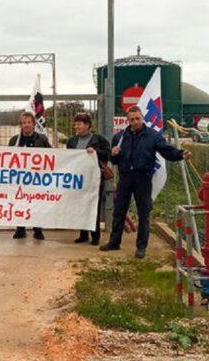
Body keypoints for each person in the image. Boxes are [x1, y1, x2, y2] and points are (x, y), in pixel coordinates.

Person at [101, 105, 190, 259]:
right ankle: (114, 242)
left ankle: (141, 247)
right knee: (119, 211)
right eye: (132, 119)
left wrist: (181, 154)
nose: (135, 122)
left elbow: (167, 151)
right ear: (127, 120)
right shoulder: (120, 137)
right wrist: (113, 153)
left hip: (143, 178)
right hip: (125, 178)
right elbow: (114, 159)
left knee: (143, 213)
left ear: (142, 118)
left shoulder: (153, 136)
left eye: (137, 119)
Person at [66, 113, 110, 245]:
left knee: (93, 206)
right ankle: (83, 234)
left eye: (79, 124)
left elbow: (107, 153)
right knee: (81, 206)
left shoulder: (98, 139)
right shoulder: (72, 141)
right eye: (76, 124)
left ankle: (95, 236)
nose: (77, 126)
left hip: (94, 179)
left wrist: (95, 152)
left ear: (87, 125)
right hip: (78, 179)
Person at [8, 112, 51, 240]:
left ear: (33, 124)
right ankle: (20, 229)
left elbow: (52, 156)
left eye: (29, 122)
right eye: (24, 123)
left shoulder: (42, 139)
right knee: (19, 203)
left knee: (37, 203)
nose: (26, 125)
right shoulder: (14, 140)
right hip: (19, 179)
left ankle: (38, 229)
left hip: (37, 179)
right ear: (20, 125)